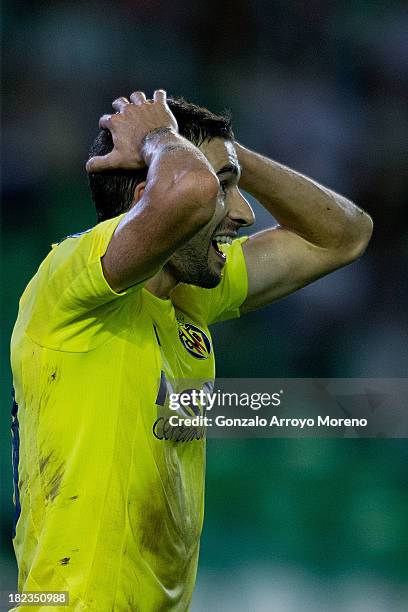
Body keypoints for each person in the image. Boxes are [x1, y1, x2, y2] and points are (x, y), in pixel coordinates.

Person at [10, 89, 373, 611]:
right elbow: (187, 193)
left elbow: (343, 236)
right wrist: (162, 137)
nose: (245, 214)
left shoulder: (191, 297)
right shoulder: (68, 284)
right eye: (225, 190)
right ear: (144, 200)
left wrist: (229, 152)